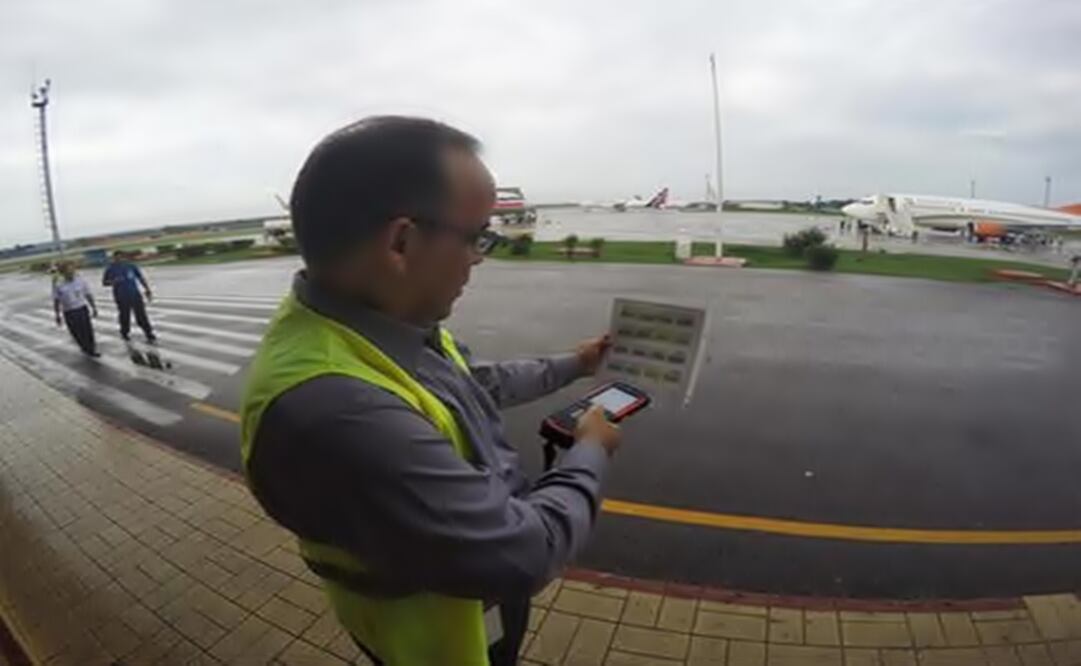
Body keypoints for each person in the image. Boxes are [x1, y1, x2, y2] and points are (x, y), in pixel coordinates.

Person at [240, 116, 621, 666]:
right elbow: (524, 551)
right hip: (440, 638)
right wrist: (589, 450)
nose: (478, 257)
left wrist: (576, 364)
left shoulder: (369, 324)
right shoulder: (339, 412)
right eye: (475, 236)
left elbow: (472, 383)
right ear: (401, 241)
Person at [102, 251, 156, 343]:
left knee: (141, 315)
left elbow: (140, 278)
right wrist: (113, 282)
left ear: (124, 257)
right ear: (114, 258)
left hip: (135, 295)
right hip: (121, 296)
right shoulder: (110, 269)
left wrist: (147, 289)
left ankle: (148, 332)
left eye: (121, 257)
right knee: (124, 315)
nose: (119, 260)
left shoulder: (131, 266)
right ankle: (124, 332)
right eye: (117, 258)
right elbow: (104, 282)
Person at [53, 262, 100, 357]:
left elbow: (88, 294)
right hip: (69, 312)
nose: (70, 272)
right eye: (68, 271)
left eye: (72, 270)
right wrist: (57, 315)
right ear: (63, 273)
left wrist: (94, 307)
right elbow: (56, 300)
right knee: (75, 332)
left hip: (81, 308)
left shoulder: (81, 281)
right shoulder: (58, 285)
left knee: (87, 330)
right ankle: (83, 346)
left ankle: (91, 349)